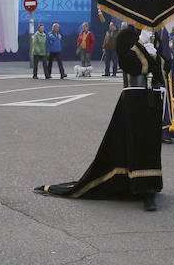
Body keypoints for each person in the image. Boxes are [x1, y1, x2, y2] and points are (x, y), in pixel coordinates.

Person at [34, 25, 163, 211]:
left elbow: (163, 65)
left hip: (153, 97)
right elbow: (128, 64)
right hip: (133, 98)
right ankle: (136, 186)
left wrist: (155, 52)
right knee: (133, 143)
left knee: (150, 143)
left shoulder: (154, 35)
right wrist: (142, 44)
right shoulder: (126, 35)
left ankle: (150, 186)